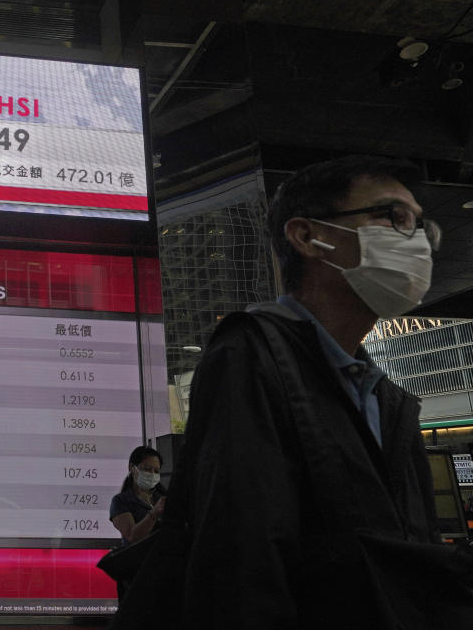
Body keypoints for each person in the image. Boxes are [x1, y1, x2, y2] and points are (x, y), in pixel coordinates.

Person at [172, 155, 472, 628]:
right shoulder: (252, 351)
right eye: (393, 217)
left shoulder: (385, 396)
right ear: (309, 236)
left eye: (420, 226)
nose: (416, 241)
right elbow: (242, 554)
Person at [109, 446, 166, 600]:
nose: (152, 475)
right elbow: (132, 537)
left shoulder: (162, 497)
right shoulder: (121, 501)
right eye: (147, 469)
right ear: (132, 468)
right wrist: (153, 514)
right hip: (136, 575)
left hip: (164, 572)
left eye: (156, 471)